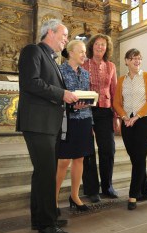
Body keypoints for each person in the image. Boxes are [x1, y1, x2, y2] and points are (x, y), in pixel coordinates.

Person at [16, 19, 78, 233]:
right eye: (64, 34)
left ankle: (41, 218)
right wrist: (62, 94)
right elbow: (30, 82)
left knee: (43, 173)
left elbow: (52, 90)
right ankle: (47, 224)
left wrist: (70, 99)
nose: (66, 39)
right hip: (38, 123)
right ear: (50, 32)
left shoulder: (52, 59)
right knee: (46, 173)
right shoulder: (33, 51)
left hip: (48, 124)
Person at [113, 48, 147, 210]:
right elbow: (116, 102)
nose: (137, 61)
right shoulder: (121, 80)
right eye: (133, 58)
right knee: (136, 158)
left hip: (144, 121)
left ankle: (133, 195)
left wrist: (137, 116)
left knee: (139, 157)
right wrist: (125, 117)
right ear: (126, 61)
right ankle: (145, 188)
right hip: (127, 123)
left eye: (139, 58)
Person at [55, 40, 94, 214]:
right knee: (63, 160)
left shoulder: (85, 73)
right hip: (66, 120)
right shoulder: (59, 71)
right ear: (70, 53)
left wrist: (87, 105)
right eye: (81, 52)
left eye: (85, 52)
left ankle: (75, 196)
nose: (84, 55)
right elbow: (56, 97)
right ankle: (53, 199)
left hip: (84, 119)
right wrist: (71, 106)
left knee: (80, 159)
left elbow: (86, 95)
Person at [82, 33, 119, 203]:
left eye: (103, 44)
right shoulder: (83, 64)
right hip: (86, 110)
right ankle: (91, 189)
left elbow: (115, 91)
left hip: (105, 111)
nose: (100, 47)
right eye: (97, 44)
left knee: (108, 149)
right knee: (88, 151)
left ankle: (107, 186)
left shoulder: (111, 66)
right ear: (92, 46)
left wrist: (116, 115)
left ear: (107, 48)